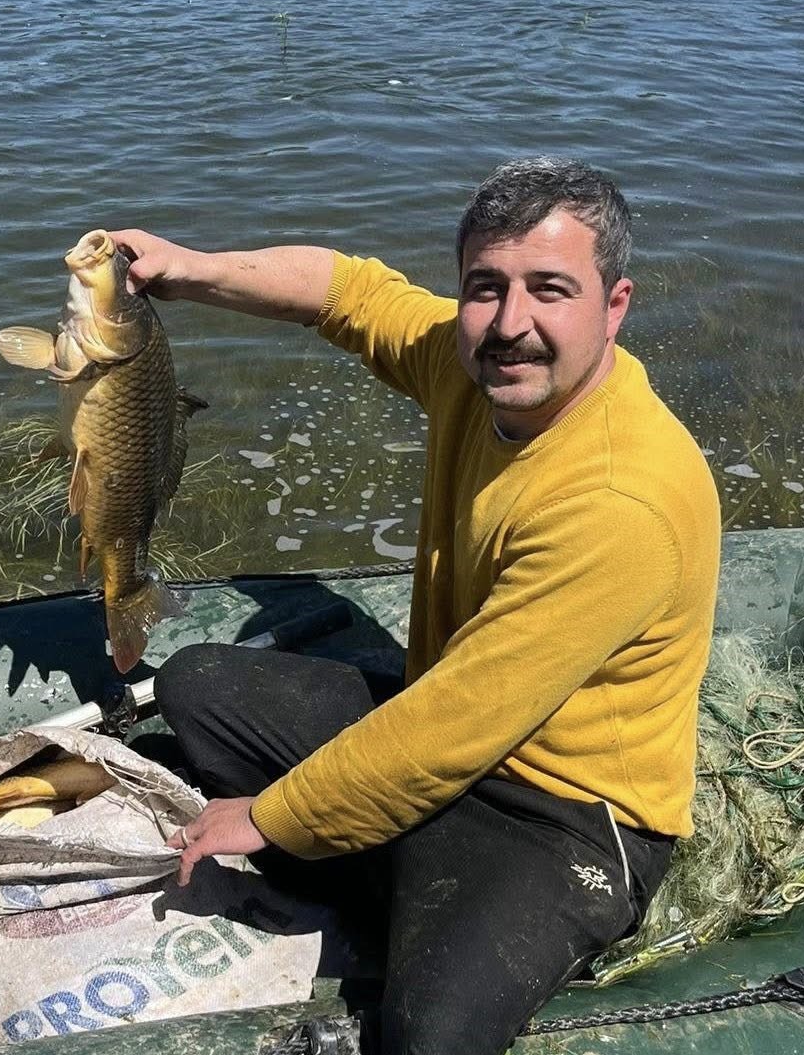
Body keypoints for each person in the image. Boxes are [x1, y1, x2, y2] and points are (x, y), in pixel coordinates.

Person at [112, 157, 721, 1055]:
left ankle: (385, 876)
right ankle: (384, 868)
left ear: (614, 305)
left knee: (430, 1034)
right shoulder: (470, 364)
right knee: (196, 687)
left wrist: (271, 816)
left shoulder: (620, 500)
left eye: (550, 289)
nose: (511, 324)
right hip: (449, 724)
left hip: (564, 815)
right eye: (486, 287)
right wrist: (187, 267)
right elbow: (347, 293)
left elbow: (452, 727)